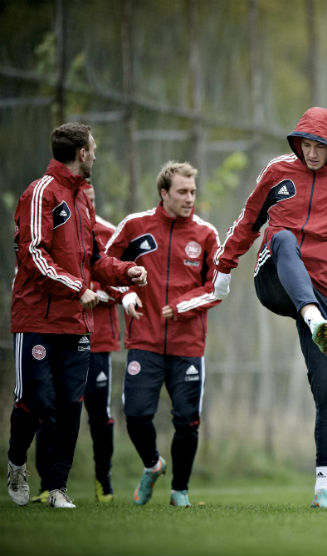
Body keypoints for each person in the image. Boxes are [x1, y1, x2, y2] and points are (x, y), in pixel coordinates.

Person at [212, 107, 327, 509]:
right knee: (283, 239)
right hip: (274, 279)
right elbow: (248, 221)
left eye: (319, 147)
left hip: (326, 291)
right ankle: (311, 317)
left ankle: (323, 489)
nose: (311, 154)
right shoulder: (277, 172)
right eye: (306, 146)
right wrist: (224, 268)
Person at [7, 122, 147, 509]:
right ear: (81, 153)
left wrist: (126, 272)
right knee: (36, 401)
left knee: (70, 404)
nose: (96, 154)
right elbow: (34, 254)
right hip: (35, 319)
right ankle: (16, 463)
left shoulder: (84, 198)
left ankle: (57, 488)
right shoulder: (41, 193)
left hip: (76, 324)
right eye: (94, 148)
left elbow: (95, 261)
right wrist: (77, 288)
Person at [106, 161, 222, 508]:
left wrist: (183, 306)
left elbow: (217, 286)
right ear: (163, 193)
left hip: (188, 345)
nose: (190, 199)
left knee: (186, 421)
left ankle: (180, 490)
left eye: (193, 192)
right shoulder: (135, 226)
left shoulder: (206, 234)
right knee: (137, 415)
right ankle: (153, 464)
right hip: (145, 340)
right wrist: (125, 294)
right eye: (182, 192)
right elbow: (103, 266)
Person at [32, 183, 123, 505]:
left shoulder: (110, 233)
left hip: (99, 341)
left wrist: (100, 292)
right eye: (84, 199)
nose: (88, 204)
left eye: (92, 200)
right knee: (50, 410)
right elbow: (41, 273)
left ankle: (104, 480)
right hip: (62, 336)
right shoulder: (58, 232)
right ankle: (47, 484)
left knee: (99, 414)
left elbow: (121, 284)